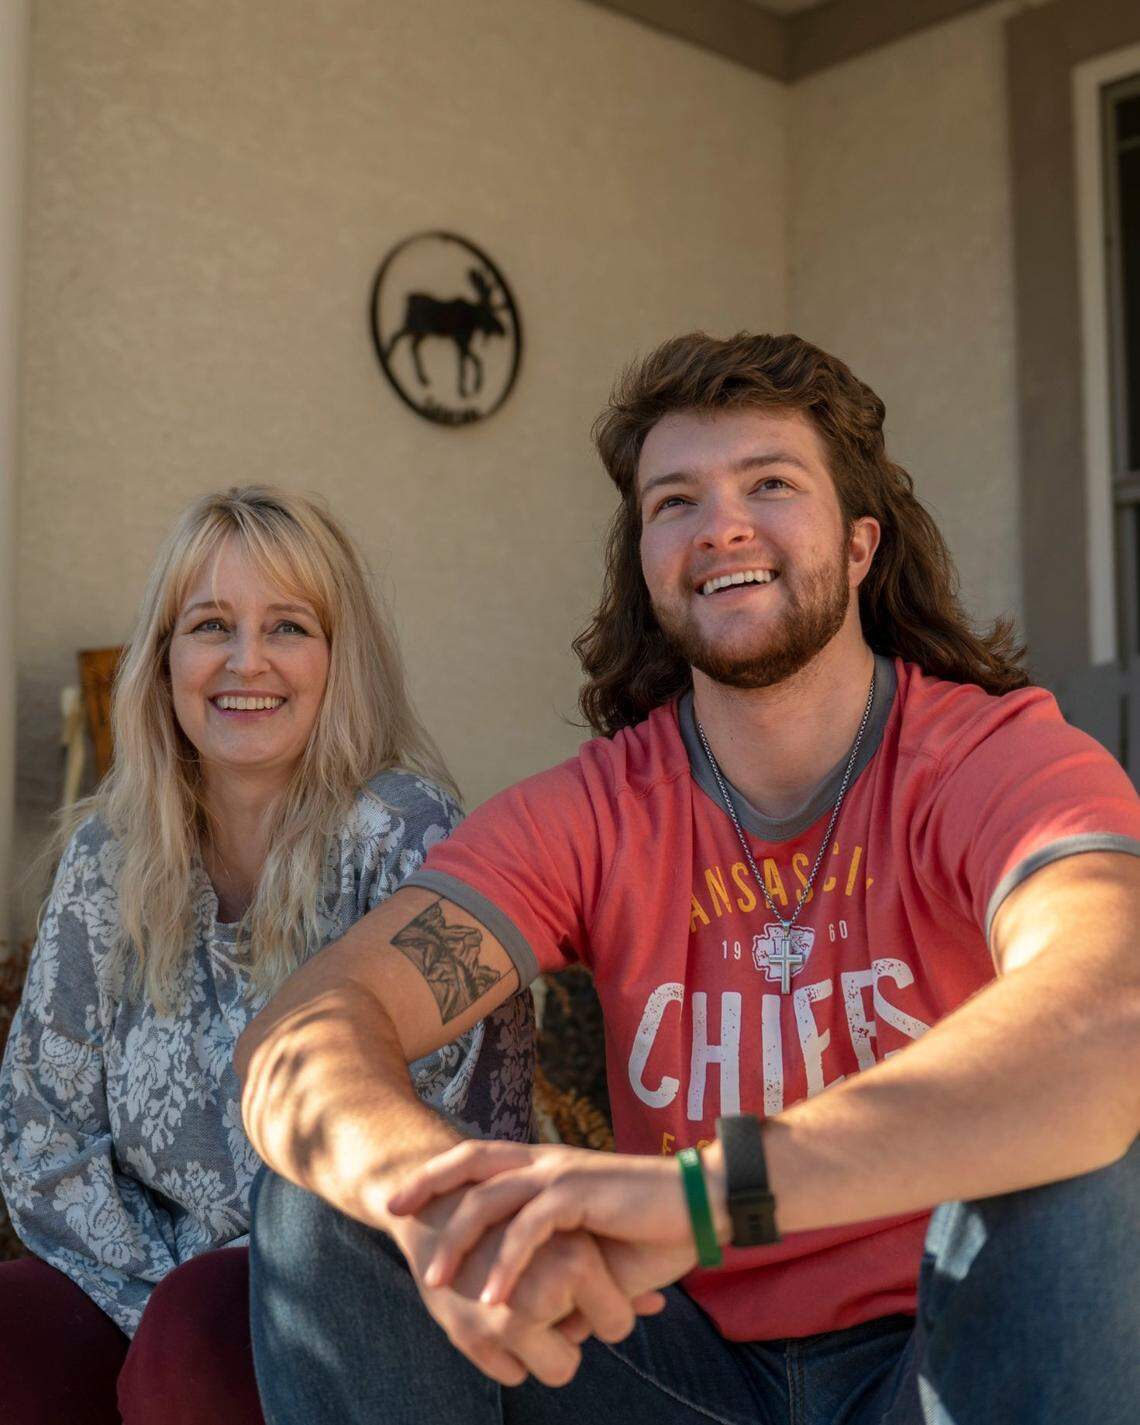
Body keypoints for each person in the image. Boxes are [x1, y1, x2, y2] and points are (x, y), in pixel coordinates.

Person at [239, 335, 1140, 1425]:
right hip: (679, 1375)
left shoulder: (994, 764)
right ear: (648, 562)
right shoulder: (599, 809)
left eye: (769, 483)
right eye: (675, 501)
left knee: (1092, 1150)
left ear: (861, 544)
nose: (720, 525)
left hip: (946, 1359)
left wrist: (711, 1204)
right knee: (321, 1202)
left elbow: (1111, 1015)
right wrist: (431, 1199)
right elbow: (306, 1031)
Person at [0, 486, 534, 1425]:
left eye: (288, 625)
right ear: (164, 659)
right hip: (141, 1283)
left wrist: (193, 1305)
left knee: (194, 1347)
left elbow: (440, 1137)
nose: (247, 660)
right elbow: (43, 1139)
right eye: (211, 624)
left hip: (371, 1290)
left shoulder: (407, 839)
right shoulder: (106, 856)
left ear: (339, 659)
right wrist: (158, 1289)